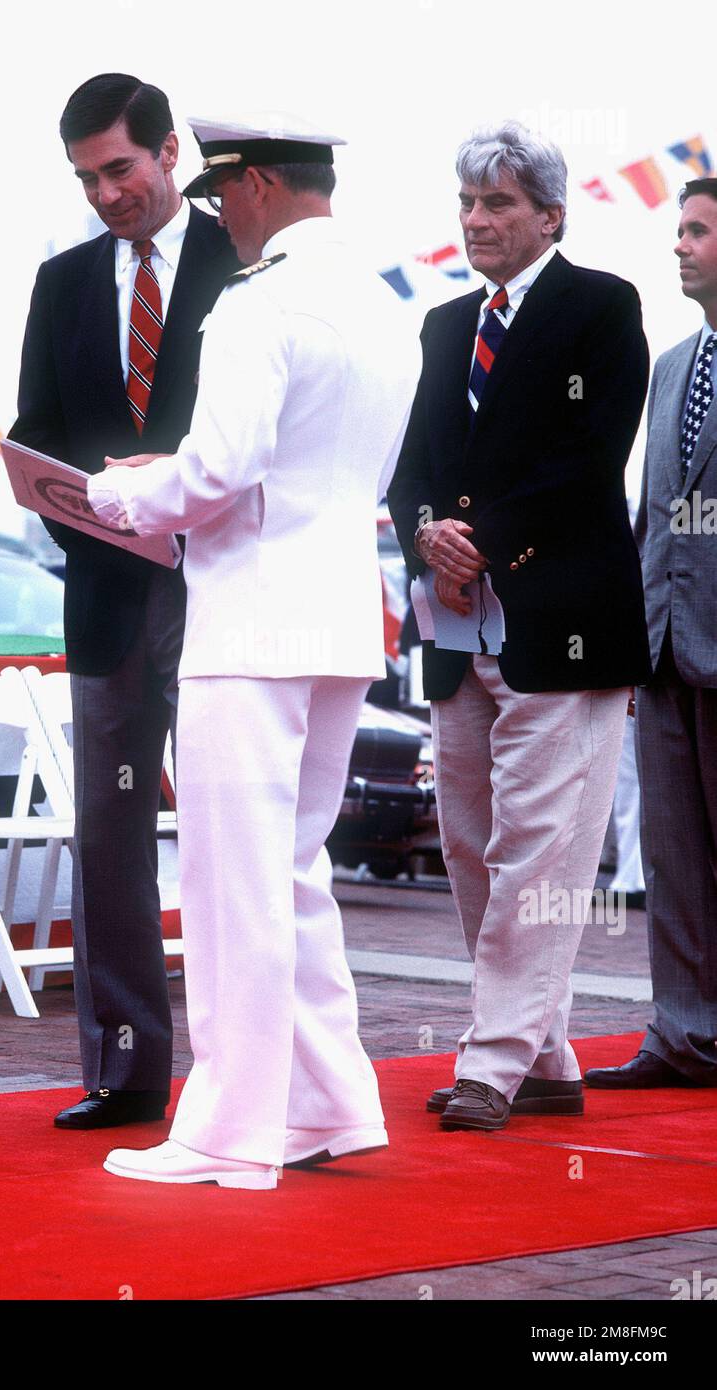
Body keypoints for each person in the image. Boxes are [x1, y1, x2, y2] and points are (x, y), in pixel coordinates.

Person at [86, 112, 422, 1188]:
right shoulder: (385, 307)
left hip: (248, 622)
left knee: (235, 883)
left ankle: (226, 1132)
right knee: (292, 873)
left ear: (264, 184)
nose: (220, 215)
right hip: (338, 618)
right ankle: (329, 1103)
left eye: (225, 193)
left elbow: (217, 469)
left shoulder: (255, 303)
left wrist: (120, 489)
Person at [388, 122, 651, 1132]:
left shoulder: (600, 307)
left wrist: (482, 539)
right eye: (467, 203)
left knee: (538, 859)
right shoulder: (446, 325)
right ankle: (545, 1056)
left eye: (498, 203)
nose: (477, 220)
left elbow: (589, 459)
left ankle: (490, 1063)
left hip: (564, 629)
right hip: (459, 635)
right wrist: (427, 535)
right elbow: (411, 463)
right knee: (471, 850)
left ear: (550, 213)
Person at [8, 74, 238, 1130]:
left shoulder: (246, 265)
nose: (106, 194)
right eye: (86, 178)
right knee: (109, 832)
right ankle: (130, 1070)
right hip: (106, 596)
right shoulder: (59, 285)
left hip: (226, 585)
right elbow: (39, 437)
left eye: (119, 169)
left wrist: (175, 502)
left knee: (238, 829)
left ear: (169, 155)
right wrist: (101, 519)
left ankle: (248, 1068)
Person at [585, 178, 717, 1091]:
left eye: (698, 231)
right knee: (673, 858)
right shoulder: (670, 364)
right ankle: (684, 1035)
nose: (679, 245)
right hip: (666, 650)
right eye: (677, 229)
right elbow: (652, 516)